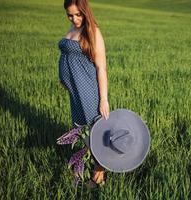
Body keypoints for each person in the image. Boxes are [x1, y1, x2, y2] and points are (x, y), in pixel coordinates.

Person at [58, 0, 108, 186]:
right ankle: (87, 170)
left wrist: (103, 99)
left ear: (85, 12)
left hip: (87, 90)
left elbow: (101, 68)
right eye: (70, 15)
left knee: (94, 132)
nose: (74, 18)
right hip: (75, 92)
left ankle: (99, 175)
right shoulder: (73, 28)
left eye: (78, 14)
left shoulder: (93, 31)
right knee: (82, 131)